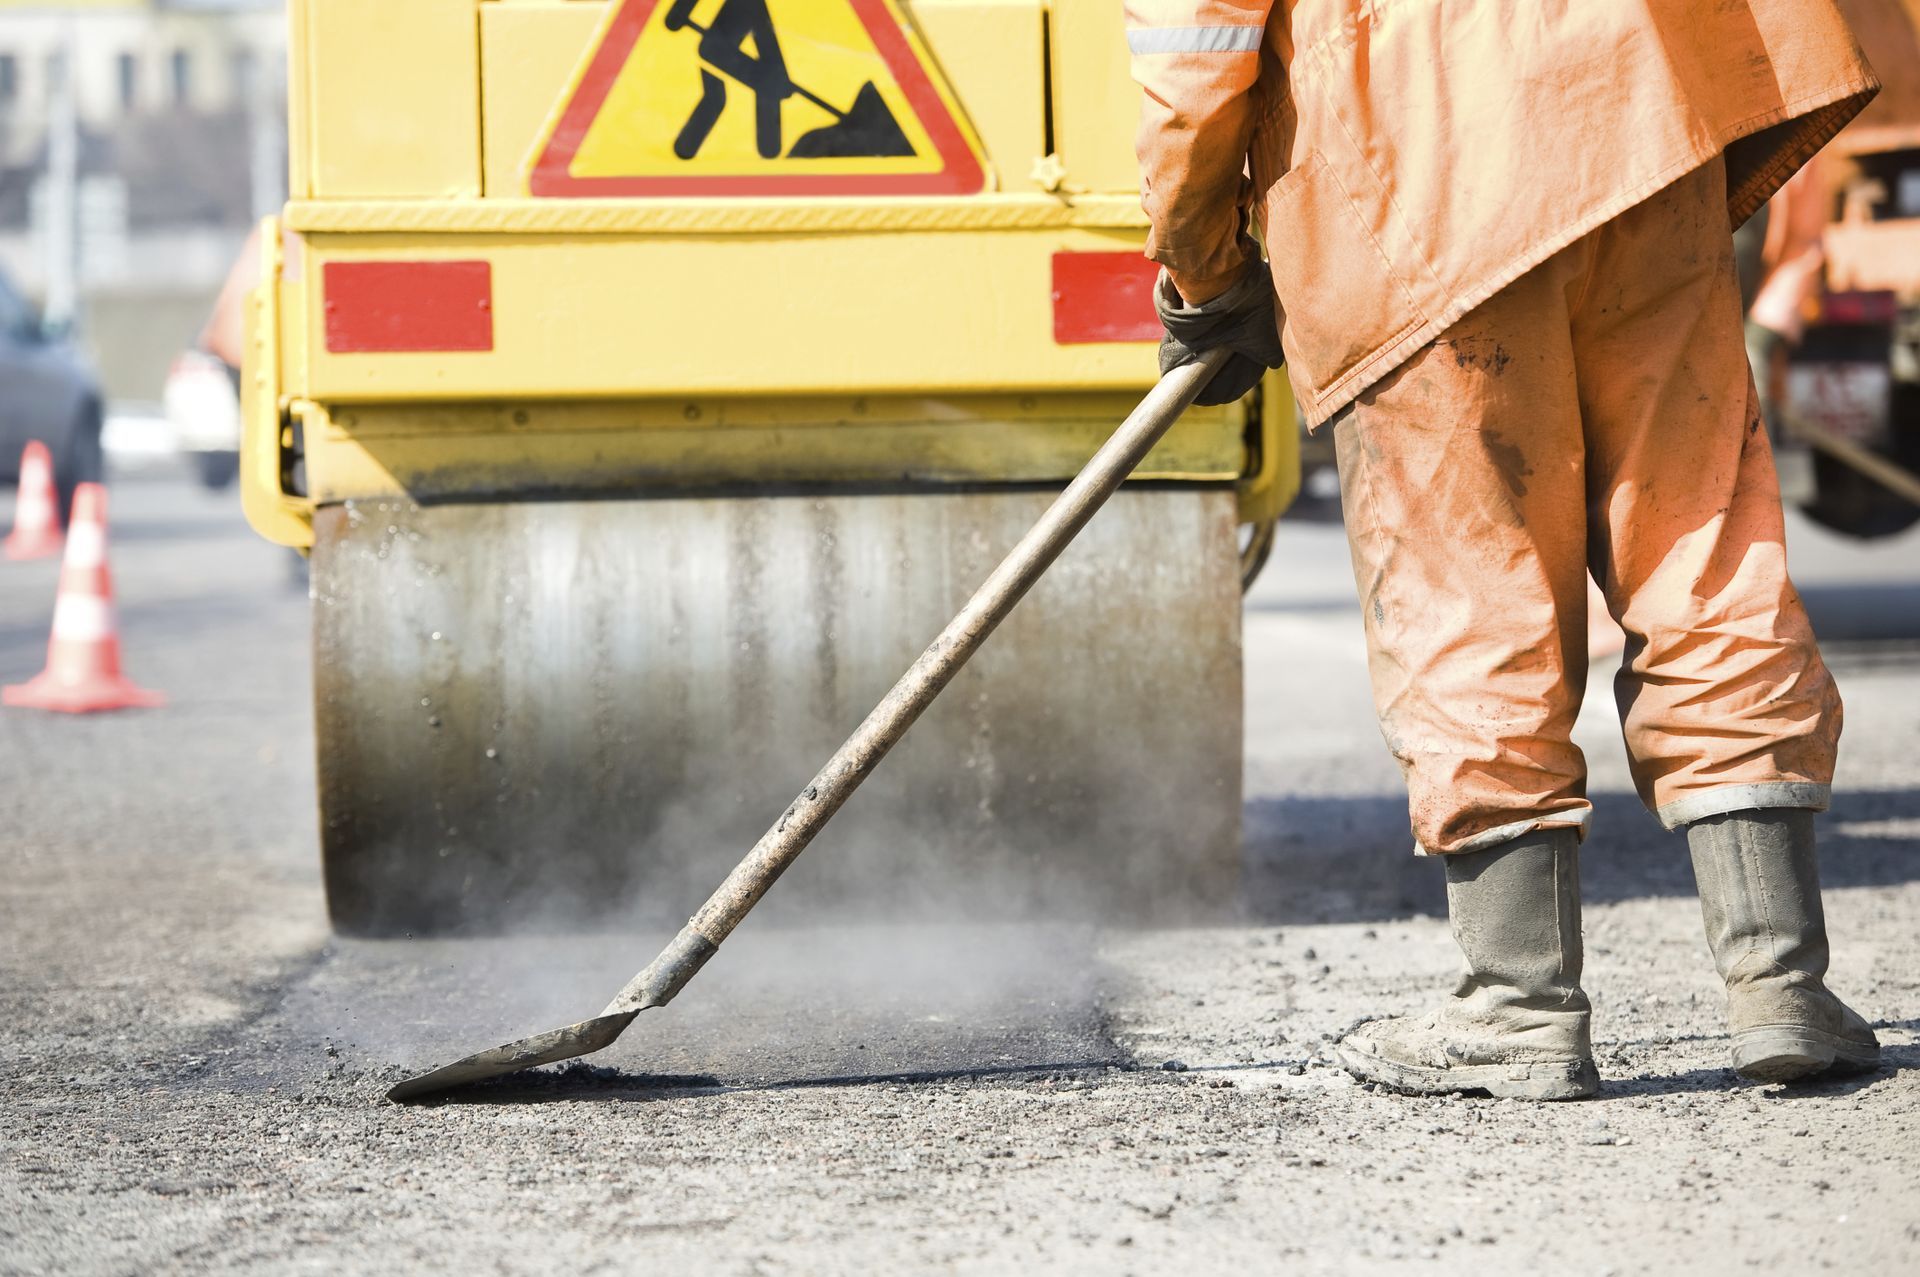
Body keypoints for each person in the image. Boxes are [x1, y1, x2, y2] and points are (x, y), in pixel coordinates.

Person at [1130, 0, 1882, 1099]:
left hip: (1417, 181)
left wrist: (1204, 268)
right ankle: (1781, 981)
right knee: (1702, 538)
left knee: (1467, 583)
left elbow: (1190, 48)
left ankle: (1521, 1004)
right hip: (1635, 125)